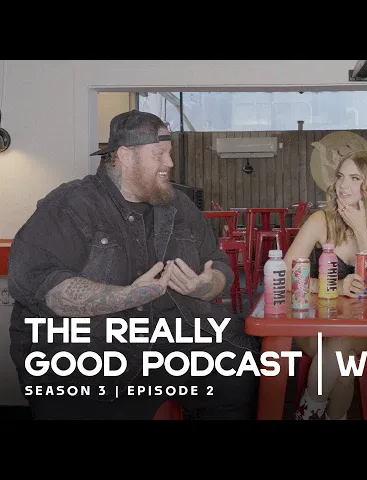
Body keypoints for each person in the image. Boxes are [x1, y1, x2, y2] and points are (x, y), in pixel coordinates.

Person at [8, 109, 259, 420]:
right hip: (91, 347)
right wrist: (129, 295)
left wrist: (204, 286)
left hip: (173, 337)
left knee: (241, 373)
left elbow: (219, 265)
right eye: (160, 154)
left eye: (169, 153)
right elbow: (44, 288)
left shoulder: (178, 206)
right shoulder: (70, 205)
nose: (170, 163)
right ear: (125, 156)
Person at [283, 150, 367, 420]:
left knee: (341, 340)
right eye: (340, 177)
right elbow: (285, 275)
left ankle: (307, 412)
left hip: (365, 329)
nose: (343, 185)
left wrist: (361, 231)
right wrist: (333, 286)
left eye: (354, 178)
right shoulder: (320, 220)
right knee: (343, 365)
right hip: (315, 326)